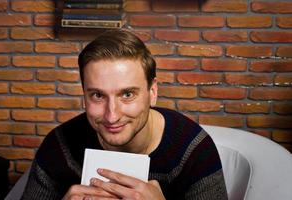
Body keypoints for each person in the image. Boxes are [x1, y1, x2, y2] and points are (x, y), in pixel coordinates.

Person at [21, 29, 228, 200]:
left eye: (127, 94)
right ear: (84, 95)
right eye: (97, 95)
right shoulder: (59, 144)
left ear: (152, 92)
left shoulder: (194, 149)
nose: (112, 116)